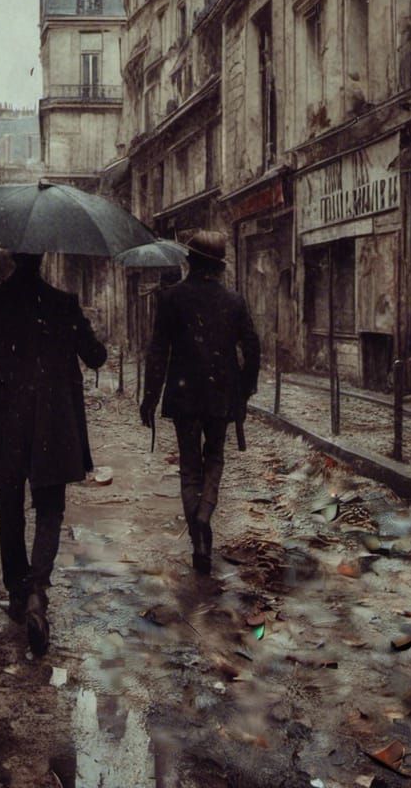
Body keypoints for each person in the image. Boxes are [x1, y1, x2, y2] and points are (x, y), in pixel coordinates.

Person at [0, 253, 107, 656]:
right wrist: (86, 331)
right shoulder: (63, 304)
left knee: (9, 510)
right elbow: (95, 356)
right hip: (51, 422)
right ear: (42, 258)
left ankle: (17, 592)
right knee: (50, 508)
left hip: (2, 421)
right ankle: (38, 589)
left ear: (12, 257)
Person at [140, 230, 260, 574]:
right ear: (220, 266)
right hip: (221, 396)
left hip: (183, 395)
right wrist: (244, 391)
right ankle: (206, 512)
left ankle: (198, 538)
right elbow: (253, 348)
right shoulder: (235, 301)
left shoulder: (171, 299)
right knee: (215, 457)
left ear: (190, 261)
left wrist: (150, 397)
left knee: (190, 466)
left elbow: (158, 353)